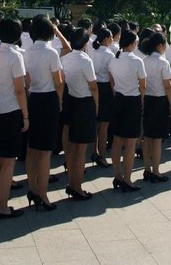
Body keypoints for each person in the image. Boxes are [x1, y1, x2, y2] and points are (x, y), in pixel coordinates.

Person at [0, 18, 29, 219]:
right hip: (11, 110)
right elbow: (20, 89)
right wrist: (26, 115)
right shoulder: (15, 56)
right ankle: (2, 206)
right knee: (9, 161)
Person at [23, 16, 63, 211]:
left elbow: (26, 80)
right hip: (48, 99)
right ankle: (43, 193)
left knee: (32, 147)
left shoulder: (26, 52)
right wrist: (61, 100)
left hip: (32, 98)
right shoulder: (51, 52)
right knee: (46, 150)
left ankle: (32, 188)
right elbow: (58, 81)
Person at [61, 28, 98, 199]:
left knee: (72, 147)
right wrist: (96, 106)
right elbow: (93, 86)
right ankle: (77, 186)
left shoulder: (65, 58)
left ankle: (71, 183)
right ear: (84, 43)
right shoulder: (85, 60)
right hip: (84, 103)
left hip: (70, 100)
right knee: (81, 149)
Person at [108, 30, 146, 191]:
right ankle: (128, 179)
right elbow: (143, 84)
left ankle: (117, 175)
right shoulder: (137, 61)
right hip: (132, 100)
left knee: (117, 141)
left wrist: (116, 91)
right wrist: (142, 100)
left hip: (119, 99)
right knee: (130, 143)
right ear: (131, 43)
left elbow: (111, 79)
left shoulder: (114, 59)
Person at [141, 32, 171, 182]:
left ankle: (147, 168)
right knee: (157, 138)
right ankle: (156, 171)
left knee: (147, 136)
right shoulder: (163, 62)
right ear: (160, 45)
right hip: (160, 100)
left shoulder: (144, 60)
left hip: (147, 100)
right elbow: (168, 86)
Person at [90, 28, 115, 168]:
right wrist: (114, 93)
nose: (112, 39)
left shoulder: (92, 52)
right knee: (104, 125)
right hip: (105, 88)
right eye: (111, 37)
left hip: (93, 87)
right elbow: (111, 78)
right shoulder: (109, 55)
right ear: (105, 39)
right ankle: (102, 155)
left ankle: (94, 151)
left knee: (95, 123)